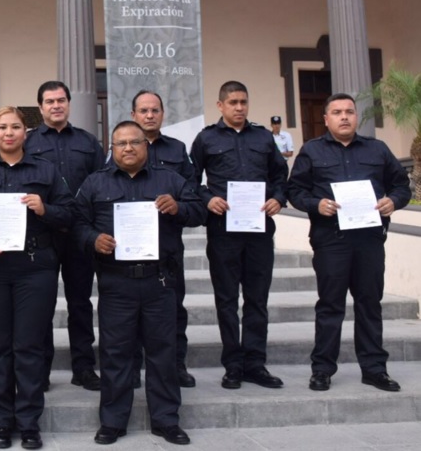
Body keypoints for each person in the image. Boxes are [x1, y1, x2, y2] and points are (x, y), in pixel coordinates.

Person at [74, 121, 206, 446]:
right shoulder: (94, 184)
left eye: (135, 142)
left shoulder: (170, 180)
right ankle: (113, 422)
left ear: (146, 146)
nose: (129, 148)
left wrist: (179, 208)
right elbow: (76, 223)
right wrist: (93, 239)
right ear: (112, 148)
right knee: (116, 353)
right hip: (116, 283)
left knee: (163, 352)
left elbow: (200, 210)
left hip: (159, 281)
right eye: (121, 144)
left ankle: (166, 421)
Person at [0, 106, 73, 450]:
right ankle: (2, 421)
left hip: (35, 268)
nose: (9, 132)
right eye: (2, 127)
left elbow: (69, 214)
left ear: (26, 132)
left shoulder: (46, 172)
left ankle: (30, 422)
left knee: (30, 346)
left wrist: (44, 209)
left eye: (16, 127)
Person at [287, 93, 410, 392]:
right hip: (332, 240)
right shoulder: (312, 151)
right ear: (326, 118)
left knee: (370, 303)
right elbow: (295, 190)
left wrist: (392, 201)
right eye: (337, 112)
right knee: (330, 305)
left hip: (369, 240)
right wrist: (317, 205)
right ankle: (322, 370)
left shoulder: (377, 149)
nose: (344, 117)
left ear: (357, 117)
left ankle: (374, 369)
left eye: (350, 112)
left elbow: (401, 185)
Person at [191, 81, 288, 390]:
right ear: (220, 105)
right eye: (232, 102)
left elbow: (279, 176)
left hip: (259, 230)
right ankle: (233, 364)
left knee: (257, 300)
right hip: (223, 231)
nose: (239, 107)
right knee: (227, 300)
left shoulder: (263, 137)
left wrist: (278, 198)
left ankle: (255, 364)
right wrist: (208, 199)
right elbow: (189, 180)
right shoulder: (206, 138)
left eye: (243, 102)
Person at [23, 81, 103, 392]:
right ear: (40, 107)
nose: (56, 106)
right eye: (49, 101)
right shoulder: (29, 143)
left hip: (79, 234)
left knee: (80, 303)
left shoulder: (88, 142)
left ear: (69, 104)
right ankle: (40, 370)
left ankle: (83, 367)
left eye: (61, 100)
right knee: (41, 304)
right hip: (42, 234)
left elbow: (100, 183)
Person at [130, 90, 199, 389]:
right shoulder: (123, 147)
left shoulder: (178, 150)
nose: (149, 115)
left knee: (173, 309)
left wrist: (179, 207)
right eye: (143, 110)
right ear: (133, 114)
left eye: (154, 110)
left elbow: (195, 201)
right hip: (131, 248)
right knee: (130, 314)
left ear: (162, 114)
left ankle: (176, 365)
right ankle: (131, 368)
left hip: (167, 247)